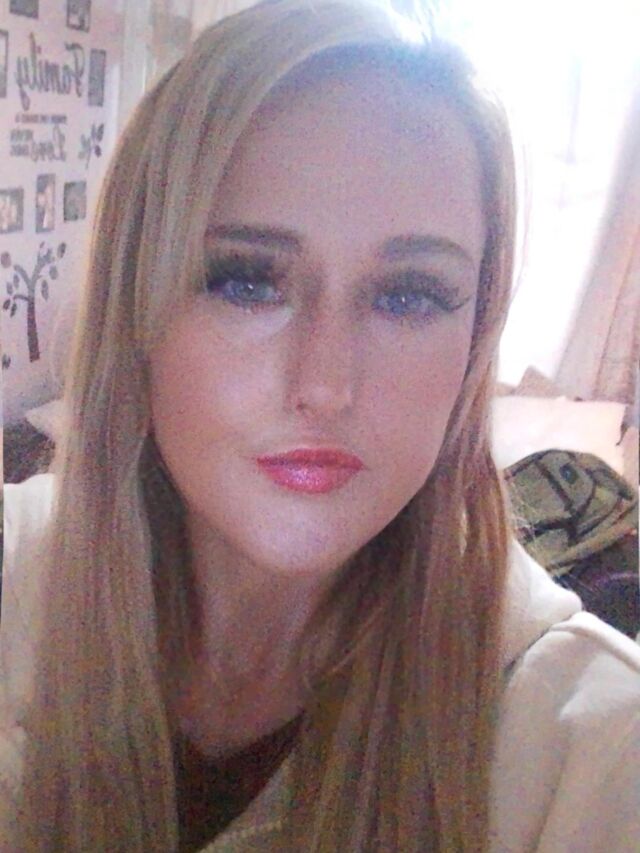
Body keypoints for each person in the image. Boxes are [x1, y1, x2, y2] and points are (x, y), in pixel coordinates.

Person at [1, 1, 639, 850]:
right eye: (246, 280)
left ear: (475, 336)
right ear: (135, 314)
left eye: (409, 294)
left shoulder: (593, 755)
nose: (327, 385)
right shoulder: (16, 577)